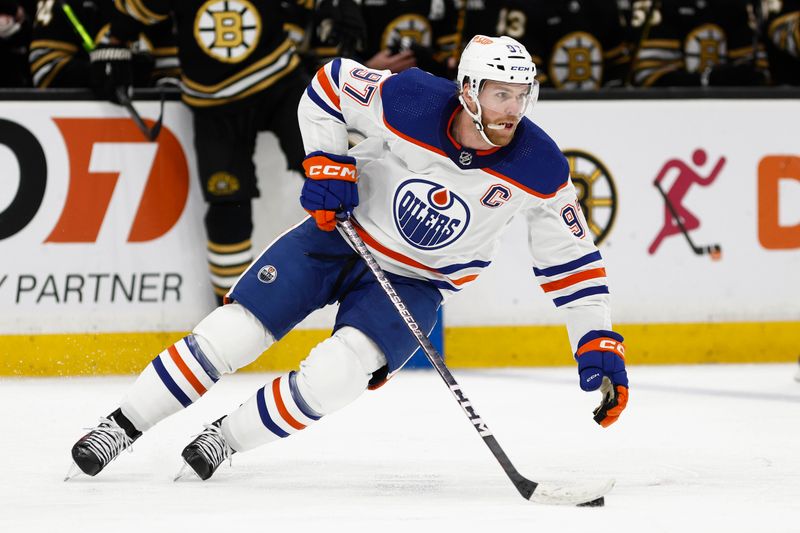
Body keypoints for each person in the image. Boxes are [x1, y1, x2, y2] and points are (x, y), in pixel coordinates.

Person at [67, 35, 630, 482]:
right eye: (499, 93)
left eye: (521, 93)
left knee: (337, 377)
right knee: (231, 335)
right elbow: (329, 84)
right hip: (338, 237)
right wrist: (327, 162)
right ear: (467, 90)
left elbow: (573, 262)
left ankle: (225, 438)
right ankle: (119, 427)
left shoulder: (540, 167)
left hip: (414, 283)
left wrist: (596, 339)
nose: (513, 108)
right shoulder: (409, 99)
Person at [93, 0, 313, 305]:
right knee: (227, 210)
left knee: (329, 169)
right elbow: (134, 12)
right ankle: (232, 312)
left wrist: (338, 12)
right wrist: (116, 45)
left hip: (280, 85)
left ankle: (381, 268)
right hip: (214, 109)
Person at [462, 0, 632, 89]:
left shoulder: (603, 5)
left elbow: (616, 58)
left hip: (599, 106)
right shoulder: (525, 5)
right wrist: (551, 94)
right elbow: (518, 63)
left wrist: (612, 90)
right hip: (541, 104)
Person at [29, 0, 178, 89]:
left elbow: (176, 74)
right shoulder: (63, 3)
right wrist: (97, 73)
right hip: (81, 123)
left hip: (153, 125)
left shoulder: (157, 5)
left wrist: (150, 80)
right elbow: (44, 73)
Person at [307, 0, 463, 77]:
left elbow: (449, 65)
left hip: (422, 96)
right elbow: (323, 70)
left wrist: (433, 64)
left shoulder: (442, 4)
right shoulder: (343, 4)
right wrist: (367, 69)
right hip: (364, 100)